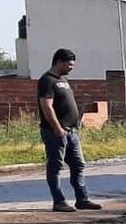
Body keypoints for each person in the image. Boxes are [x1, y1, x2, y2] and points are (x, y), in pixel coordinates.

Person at [38, 48, 101, 212]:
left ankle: (82, 199)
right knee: (55, 166)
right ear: (59, 62)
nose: (71, 68)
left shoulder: (63, 80)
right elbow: (47, 107)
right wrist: (57, 128)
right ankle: (59, 202)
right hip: (55, 132)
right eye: (69, 64)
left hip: (71, 131)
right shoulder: (47, 80)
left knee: (79, 164)